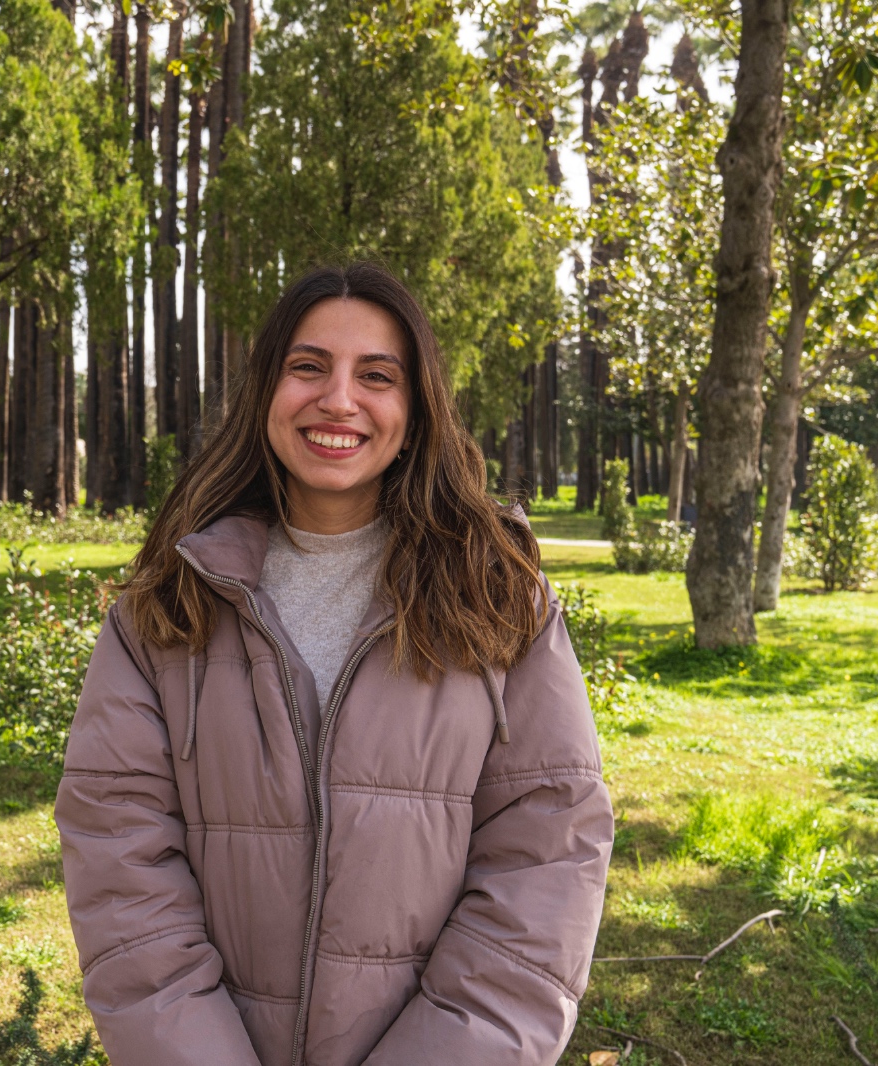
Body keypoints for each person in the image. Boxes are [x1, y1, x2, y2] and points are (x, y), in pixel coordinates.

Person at [55, 263, 613, 1066]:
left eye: (376, 376)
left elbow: (547, 860)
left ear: (416, 414)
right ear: (266, 394)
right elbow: (121, 865)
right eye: (308, 367)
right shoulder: (169, 604)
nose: (339, 400)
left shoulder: (498, 599)